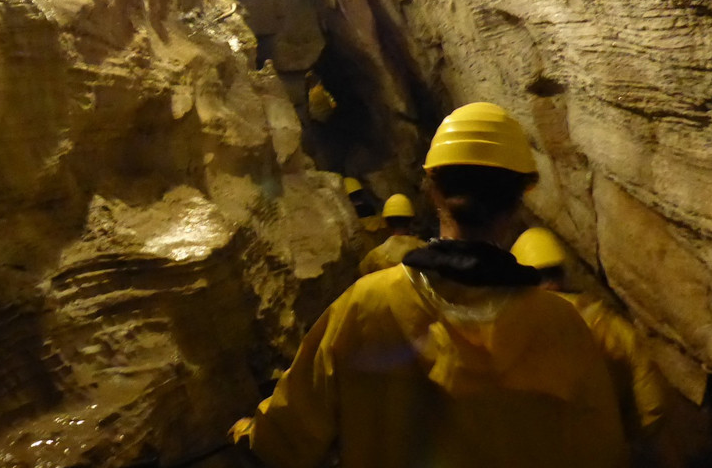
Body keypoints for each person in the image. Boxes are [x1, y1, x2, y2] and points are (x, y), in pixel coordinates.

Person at [231, 102, 626, 468]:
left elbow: (285, 440)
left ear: (433, 187)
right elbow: (602, 451)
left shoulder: (367, 305)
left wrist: (244, 433)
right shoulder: (563, 326)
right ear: (519, 198)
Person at [510, 227, 676, 466]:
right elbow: (653, 403)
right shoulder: (611, 327)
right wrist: (626, 435)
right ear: (561, 275)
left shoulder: (505, 331)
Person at [357, 193, 425, 275]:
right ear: (411, 221)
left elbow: (359, 279)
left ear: (386, 223)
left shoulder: (374, 257)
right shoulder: (425, 249)